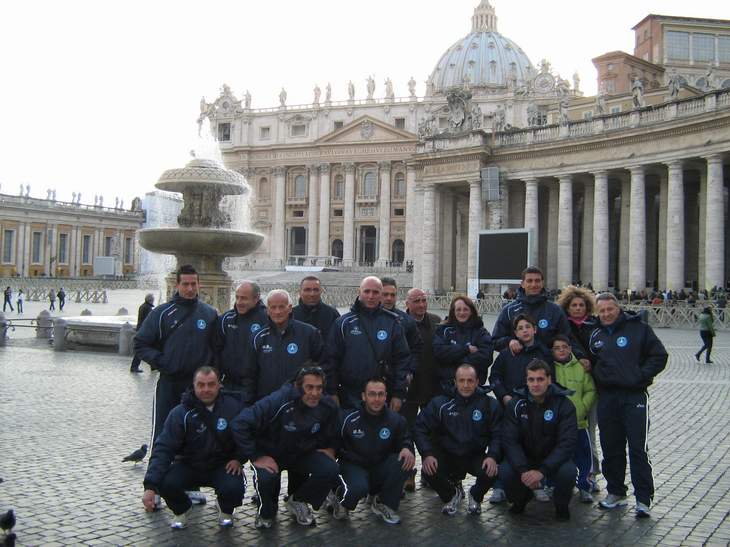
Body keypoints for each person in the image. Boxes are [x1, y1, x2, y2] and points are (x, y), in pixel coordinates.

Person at [589, 292, 668, 518]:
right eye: (601, 311)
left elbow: (659, 356)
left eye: (609, 309)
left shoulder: (639, 329)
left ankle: (643, 498)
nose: (606, 314)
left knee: (637, 448)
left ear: (618, 308)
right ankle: (616, 492)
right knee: (611, 447)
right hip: (607, 397)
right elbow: (589, 359)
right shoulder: (595, 333)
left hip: (634, 398)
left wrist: (640, 377)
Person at [232, 366, 340, 529]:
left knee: (331, 469)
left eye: (319, 388)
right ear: (298, 386)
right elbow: (239, 424)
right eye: (309, 387)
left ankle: (297, 500)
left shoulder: (326, 405)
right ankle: (265, 512)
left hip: (301, 454)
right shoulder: (277, 400)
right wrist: (255, 455)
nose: (315, 393)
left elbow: (333, 428)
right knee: (267, 480)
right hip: (272, 454)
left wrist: (331, 447)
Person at [141, 367, 246, 529]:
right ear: (194, 386)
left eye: (211, 384)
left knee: (234, 487)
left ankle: (226, 511)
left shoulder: (234, 407)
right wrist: (150, 485)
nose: (206, 389)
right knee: (166, 482)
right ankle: (181, 510)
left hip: (221, 465)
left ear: (219, 385)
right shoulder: (180, 413)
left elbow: (246, 437)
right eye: (201, 385)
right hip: (189, 465)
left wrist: (238, 458)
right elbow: (164, 448)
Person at [134, 264, 218, 444]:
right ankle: (159, 470)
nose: (190, 289)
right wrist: (161, 362)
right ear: (177, 285)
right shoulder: (162, 313)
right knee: (163, 434)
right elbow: (140, 343)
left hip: (198, 387)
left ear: (199, 285)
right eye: (185, 284)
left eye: (193, 284)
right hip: (169, 384)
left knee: (198, 436)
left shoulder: (209, 314)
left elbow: (217, 349)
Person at [413, 364, 502, 516]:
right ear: (455, 381)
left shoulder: (489, 404)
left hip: (474, 455)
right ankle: (451, 495)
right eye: (461, 381)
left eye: (470, 381)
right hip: (448, 455)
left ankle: (475, 496)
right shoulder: (441, 403)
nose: (466, 385)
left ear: (477, 381)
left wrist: (493, 456)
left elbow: (499, 434)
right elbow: (419, 428)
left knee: (492, 470)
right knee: (429, 470)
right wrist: (427, 454)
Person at [499, 360, 577, 521]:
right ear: (526, 381)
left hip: (552, 460)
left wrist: (542, 471)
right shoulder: (515, 404)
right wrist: (523, 471)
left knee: (568, 472)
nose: (535, 384)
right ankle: (521, 499)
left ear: (549, 380)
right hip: (525, 459)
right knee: (506, 471)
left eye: (540, 379)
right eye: (531, 379)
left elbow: (567, 443)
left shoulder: (564, 405)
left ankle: (561, 505)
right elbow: (510, 441)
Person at [329, 377, 416, 523]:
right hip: (353, 466)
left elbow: (405, 438)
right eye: (372, 394)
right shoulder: (348, 418)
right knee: (359, 488)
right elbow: (332, 443)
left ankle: (384, 503)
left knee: (405, 460)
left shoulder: (396, 420)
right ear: (363, 396)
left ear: (386, 396)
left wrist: (407, 448)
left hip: (378, 466)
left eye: (380, 394)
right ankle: (344, 503)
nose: (376, 399)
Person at [322, 276, 411, 411]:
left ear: (381, 294)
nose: (371, 296)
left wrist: (399, 394)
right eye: (367, 291)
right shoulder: (343, 323)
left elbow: (402, 359)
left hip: (382, 393)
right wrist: (332, 392)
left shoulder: (392, 322)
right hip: (349, 394)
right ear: (359, 292)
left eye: (375, 292)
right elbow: (331, 359)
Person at [241, 289, 323, 405]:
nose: (277, 312)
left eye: (281, 307)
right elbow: (249, 375)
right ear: (267, 310)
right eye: (273, 307)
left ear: (289, 308)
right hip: (266, 403)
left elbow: (321, 367)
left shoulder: (310, 333)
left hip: (299, 402)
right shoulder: (257, 337)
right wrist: (248, 403)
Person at [556, 285, 601, 481]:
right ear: (567, 307)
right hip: (569, 386)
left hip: (591, 385)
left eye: (581, 305)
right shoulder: (563, 327)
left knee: (590, 432)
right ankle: (567, 471)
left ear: (587, 306)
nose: (577, 308)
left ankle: (591, 473)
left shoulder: (596, 326)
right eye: (573, 305)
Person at [403, 287, 442, 490]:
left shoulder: (436, 321)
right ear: (407, 304)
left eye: (423, 300)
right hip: (408, 389)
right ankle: (407, 473)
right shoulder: (399, 322)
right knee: (406, 432)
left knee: (431, 432)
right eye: (416, 301)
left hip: (431, 386)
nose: (421, 304)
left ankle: (430, 473)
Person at [551, 335, 597, 503]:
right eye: (557, 348)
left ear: (570, 348)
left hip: (579, 422)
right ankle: (552, 484)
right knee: (556, 455)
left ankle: (585, 486)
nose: (561, 350)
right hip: (557, 424)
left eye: (564, 347)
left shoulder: (580, 366)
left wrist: (583, 407)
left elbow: (590, 390)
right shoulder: (550, 367)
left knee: (584, 456)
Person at [492, 267, 574, 356]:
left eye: (537, 281)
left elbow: (567, 338)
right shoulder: (509, 310)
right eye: (529, 281)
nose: (534, 284)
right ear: (522, 284)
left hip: (547, 364)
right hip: (518, 365)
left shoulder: (555, 310)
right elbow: (495, 341)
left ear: (542, 283)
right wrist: (509, 342)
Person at [214, 281, 268, 393]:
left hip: (258, 386)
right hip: (229, 384)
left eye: (244, 298)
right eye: (237, 297)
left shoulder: (267, 319)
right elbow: (216, 351)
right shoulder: (226, 319)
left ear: (256, 298)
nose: (239, 302)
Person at [433, 295, 493, 389]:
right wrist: (466, 349)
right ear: (453, 312)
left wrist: (454, 361)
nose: (462, 312)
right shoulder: (443, 330)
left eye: (465, 309)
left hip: (473, 387)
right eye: (458, 310)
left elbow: (486, 357)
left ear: (471, 312)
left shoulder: (480, 332)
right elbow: (439, 352)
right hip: (447, 386)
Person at [380, 277, 423, 401]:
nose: (389, 298)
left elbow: (417, 348)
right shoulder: (368, 319)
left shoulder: (407, 321)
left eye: (392, 295)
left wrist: (410, 371)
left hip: (397, 380)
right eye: (385, 294)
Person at [292, 276, 340, 343]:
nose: (312, 294)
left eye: (316, 290)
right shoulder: (291, 314)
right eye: (307, 290)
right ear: (300, 292)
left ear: (321, 291)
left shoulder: (332, 314)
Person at [130, 293, 155, 373]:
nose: (153, 300)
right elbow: (149, 321)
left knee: (147, 349)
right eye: (153, 299)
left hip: (140, 330)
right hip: (145, 332)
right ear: (150, 300)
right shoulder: (147, 308)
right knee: (145, 350)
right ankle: (135, 367)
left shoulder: (143, 306)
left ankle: (152, 366)